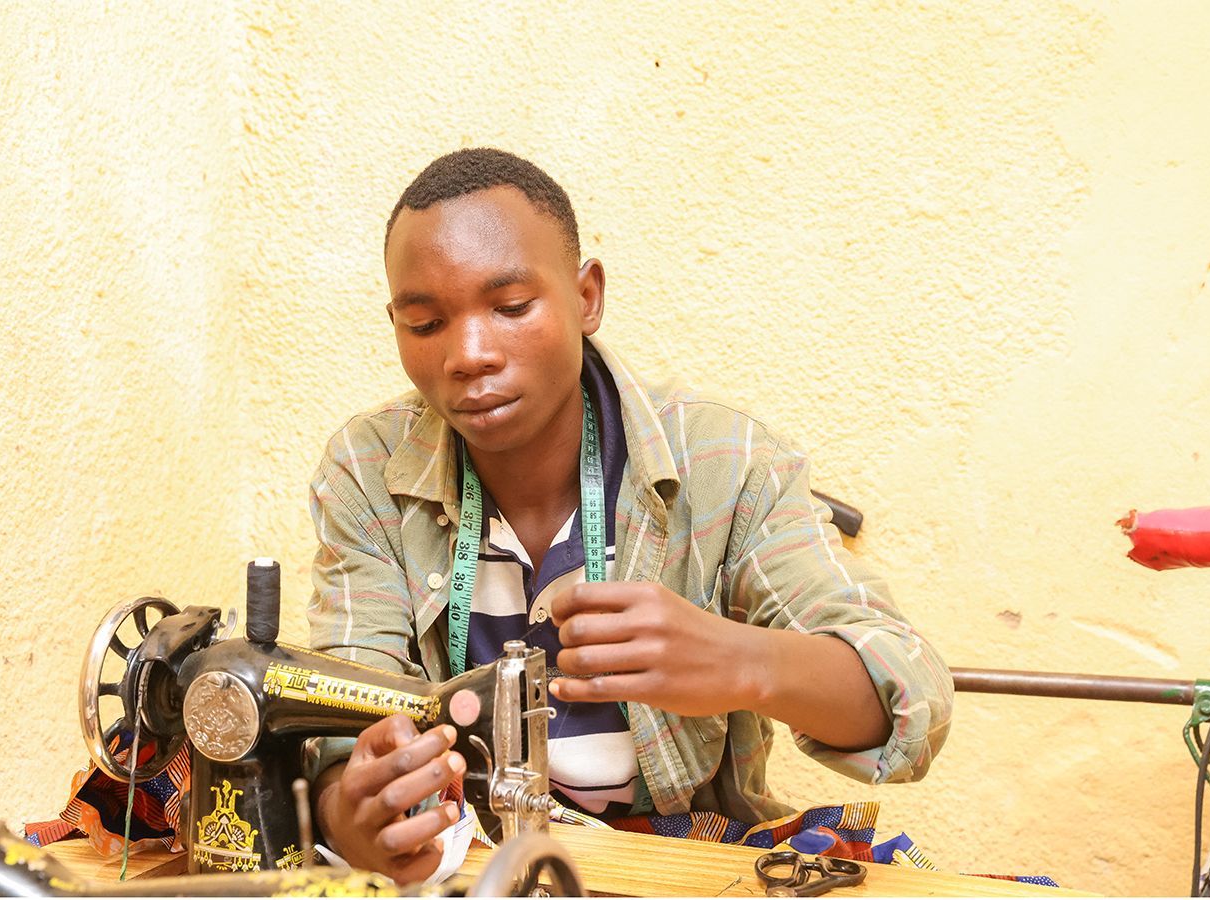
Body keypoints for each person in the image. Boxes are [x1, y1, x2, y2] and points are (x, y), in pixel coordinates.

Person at [305, 148, 952, 883]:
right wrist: (347, 811)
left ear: (587, 297)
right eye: (425, 324)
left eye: (512, 308)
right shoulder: (368, 471)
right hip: (468, 866)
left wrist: (748, 661)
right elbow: (344, 716)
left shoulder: (724, 462)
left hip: (678, 869)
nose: (470, 354)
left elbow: (913, 694)